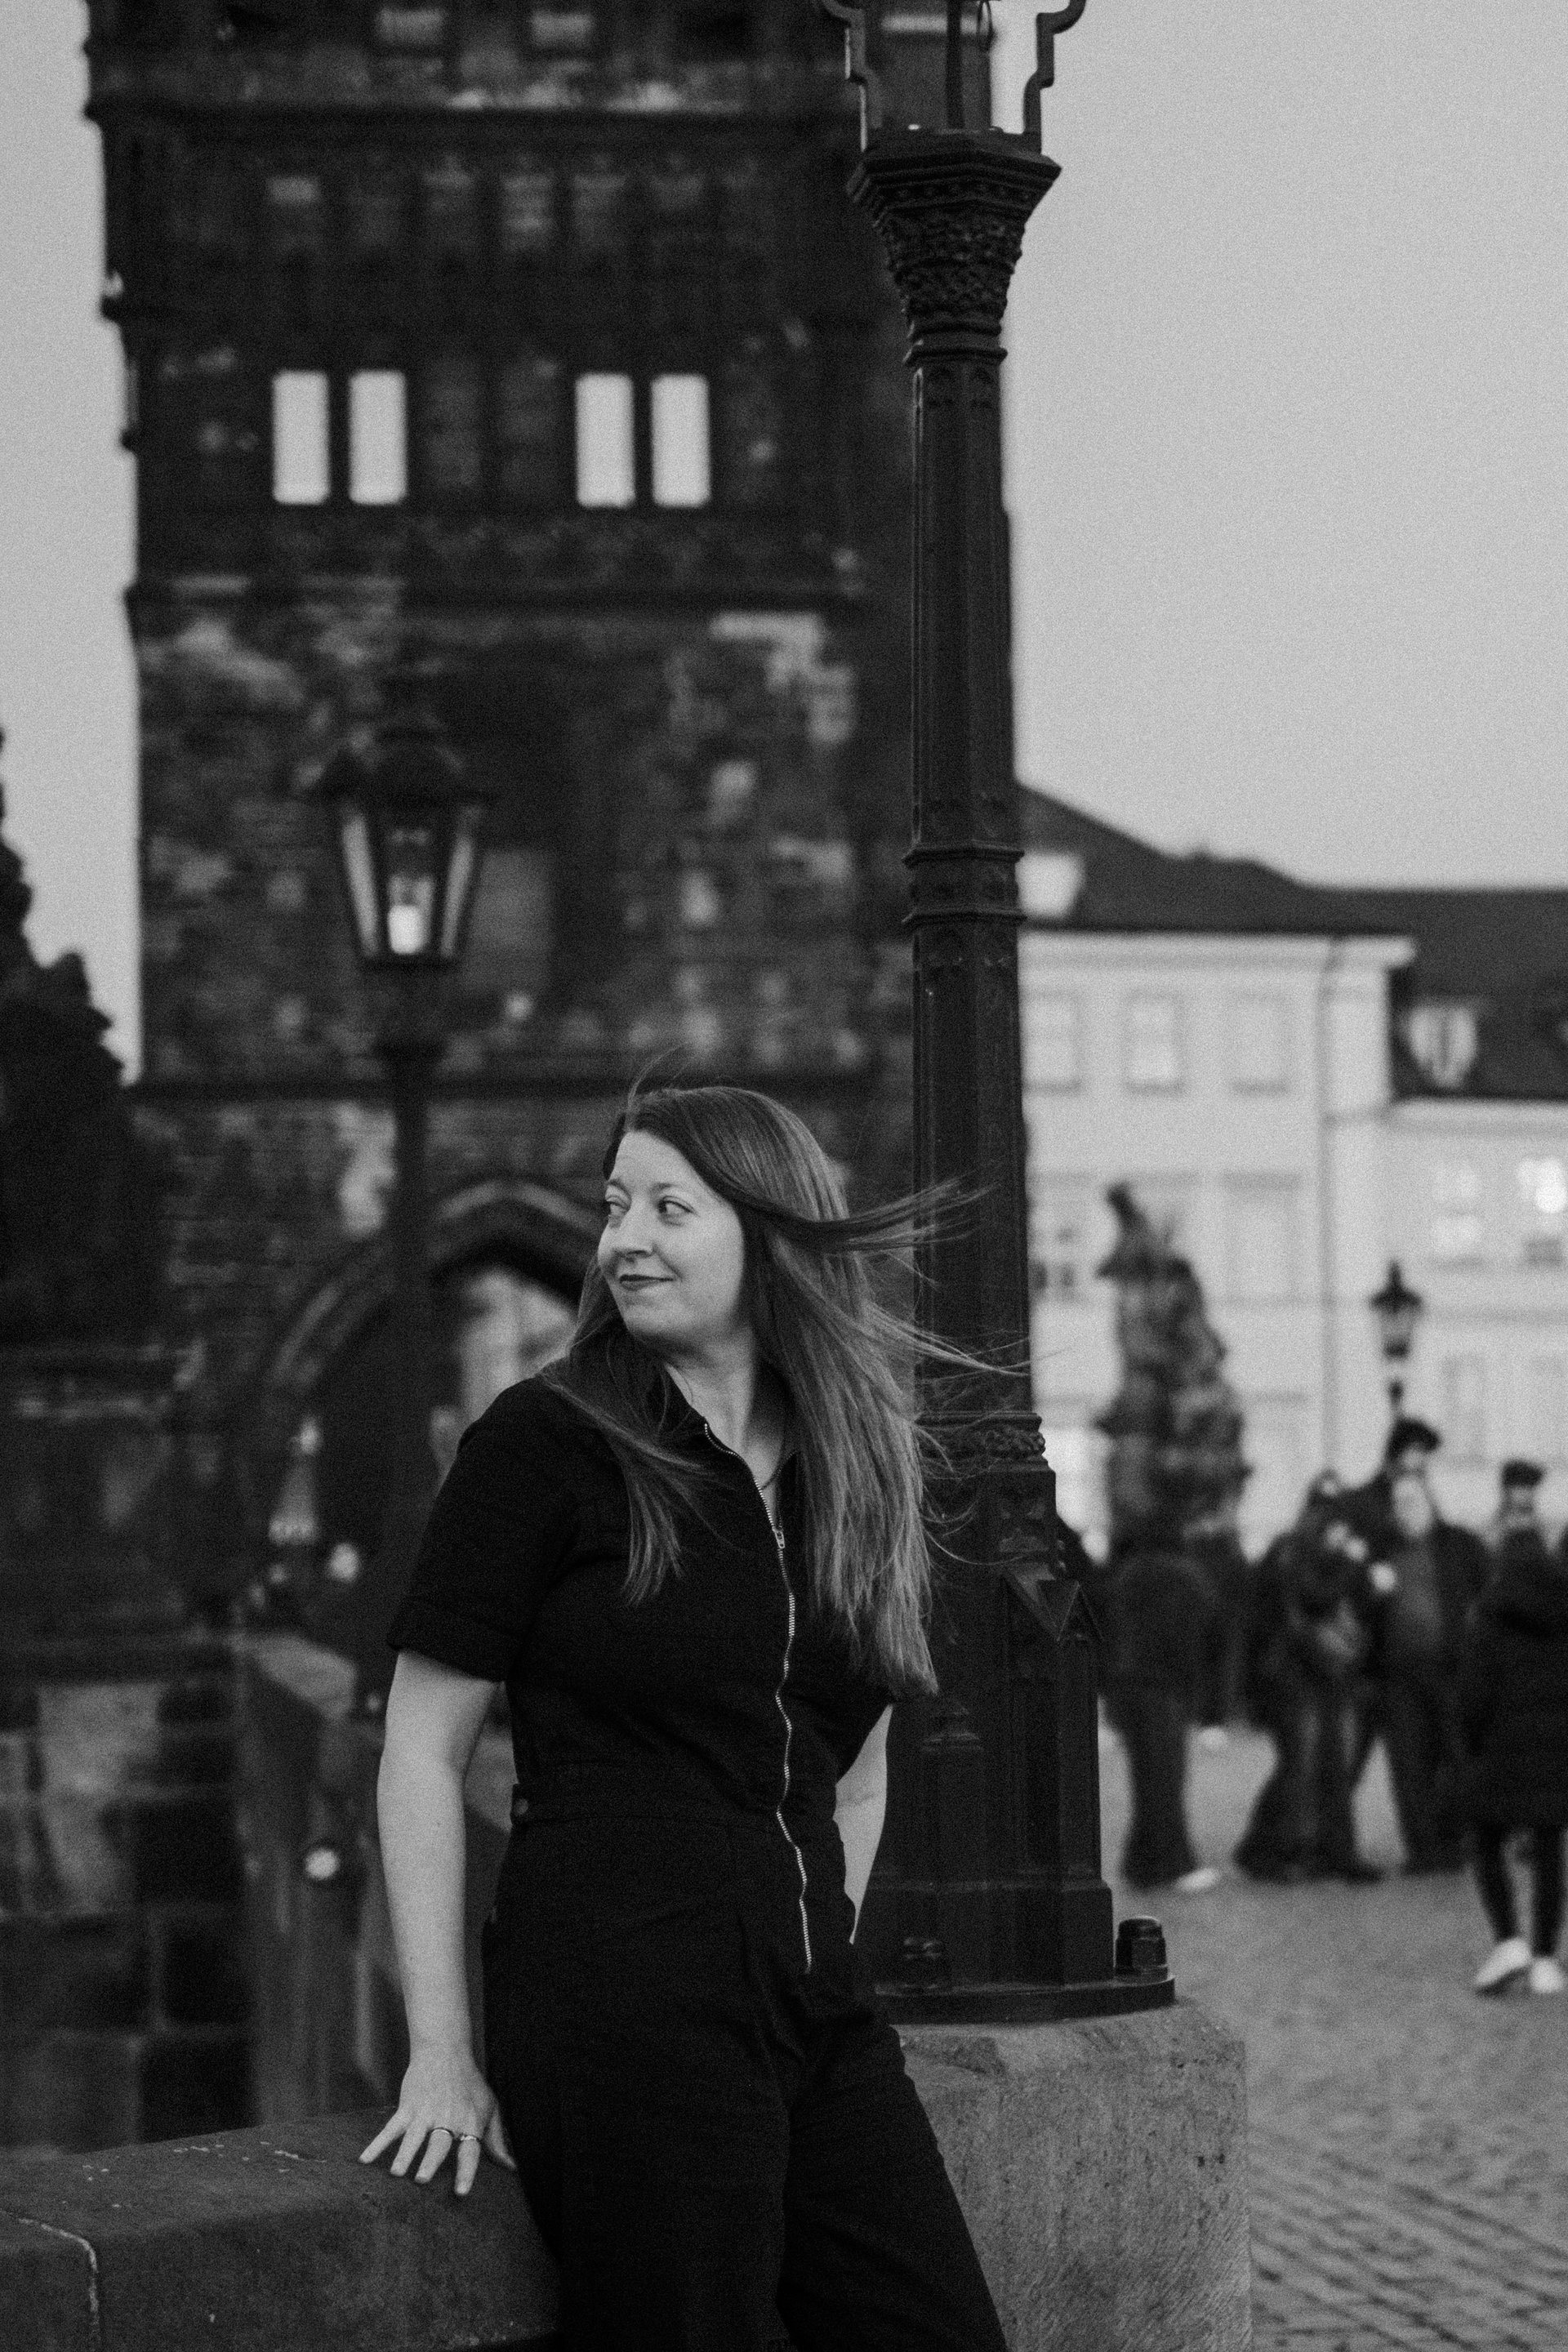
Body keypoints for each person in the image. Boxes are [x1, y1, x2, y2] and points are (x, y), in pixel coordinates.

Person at [359, 1080, 1010, 2352]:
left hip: (815, 2013)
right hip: (619, 2006)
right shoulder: (546, 1441)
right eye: (616, 1207)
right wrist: (441, 2050)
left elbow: (858, 1772)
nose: (624, 1240)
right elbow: (422, 1753)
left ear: (770, 1236)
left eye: (670, 1208)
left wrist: (817, 1945)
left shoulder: (858, 1468)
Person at [1235, 1477, 1381, 1885]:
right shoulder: (1292, 1552)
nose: (1341, 1532)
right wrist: (1352, 1567)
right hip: (1295, 1675)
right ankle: (1273, 1849)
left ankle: (1333, 1850)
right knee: (1301, 1763)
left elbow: (1360, 1605)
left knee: (1335, 1763)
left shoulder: (1330, 1556)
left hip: (1331, 1673)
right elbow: (1313, 1599)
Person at [1460, 1520, 1568, 1996]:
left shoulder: (1488, 1616)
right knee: (1549, 1851)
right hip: (1555, 1751)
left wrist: (1469, 1745)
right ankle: (1545, 1957)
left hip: (1499, 1752)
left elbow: (1473, 1695)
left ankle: (1508, 1939)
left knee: (1485, 1841)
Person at [1370, 1464, 1489, 1873]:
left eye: (1412, 1501)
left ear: (1429, 1502)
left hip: (1452, 1671)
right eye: (1398, 1503)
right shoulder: (1381, 1551)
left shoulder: (1461, 1545)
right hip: (1398, 1675)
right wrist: (1373, 1591)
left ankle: (1454, 1842)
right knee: (1409, 1765)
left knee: (1457, 1758)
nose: (1404, 1510)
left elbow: (1488, 1596)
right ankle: (1423, 1849)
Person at [1102, 1536, 1218, 1892]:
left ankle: (1144, 1862)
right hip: (1164, 1684)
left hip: (1130, 1683)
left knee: (1148, 1775)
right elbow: (1203, 1635)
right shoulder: (1185, 1577)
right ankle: (1169, 1863)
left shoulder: (1127, 1574)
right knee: (1166, 1774)